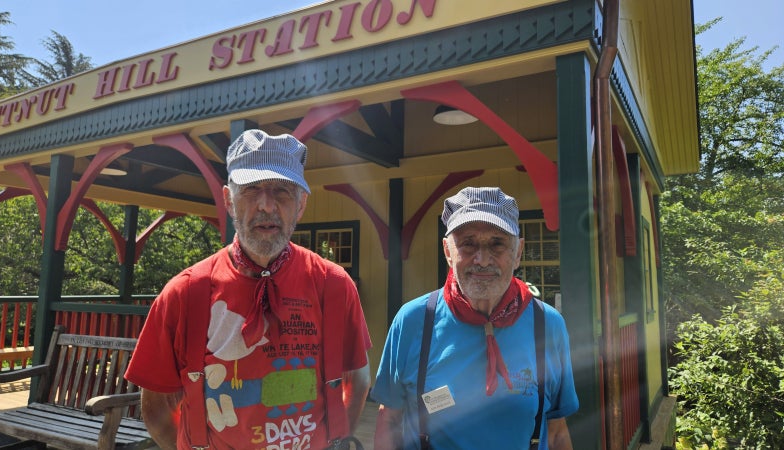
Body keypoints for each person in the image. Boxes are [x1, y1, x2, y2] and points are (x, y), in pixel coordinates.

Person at [125, 129, 372, 450]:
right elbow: (156, 409)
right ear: (229, 200)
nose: (266, 205)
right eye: (251, 189)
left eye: (282, 191)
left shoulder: (334, 284)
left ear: (301, 205)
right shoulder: (185, 292)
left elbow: (359, 381)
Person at [371, 187, 578, 450]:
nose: (481, 260)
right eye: (467, 243)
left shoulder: (548, 325)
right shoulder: (413, 321)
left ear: (517, 253)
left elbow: (557, 430)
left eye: (497, 243)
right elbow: (389, 419)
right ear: (448, 251)